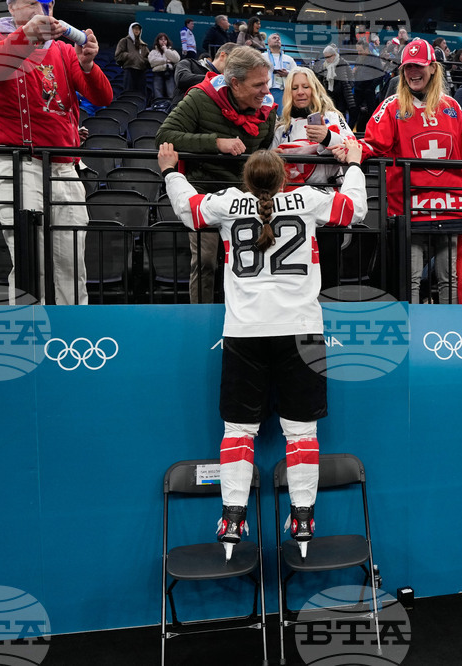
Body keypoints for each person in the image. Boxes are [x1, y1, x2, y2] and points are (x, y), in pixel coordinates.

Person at [158, 140, 367, 560]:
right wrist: (355, 165)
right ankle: (303, 517)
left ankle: (232, 517)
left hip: (245, 331)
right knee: (302, 433)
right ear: (285, 176)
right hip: (302, 331)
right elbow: (355, 209)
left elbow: (188, 209)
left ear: (246, 178)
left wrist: (170, 171)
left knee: (238, 431)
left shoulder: (228, 203)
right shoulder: (307, 198)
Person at [0, 0, 113, 305]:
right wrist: (28, 36)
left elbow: (102, 96)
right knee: (29, 257)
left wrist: (88, 64)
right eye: (34, 2)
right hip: (17, 163)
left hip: (64, 166)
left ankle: (72, 334)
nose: (44, 8)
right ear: (12, 7)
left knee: (71, 261)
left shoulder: (63, 50)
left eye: (48, 3)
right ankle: (27, 335)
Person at [155, 46, 277, 305]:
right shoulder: (200, 98)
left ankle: (249, 318)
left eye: (267, 82)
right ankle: (201, 319)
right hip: (205, 194)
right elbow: (164, 136)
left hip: (246, 198)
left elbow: (265, 148)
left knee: (251, 262)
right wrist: (216, 143)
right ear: (235, 83)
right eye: (259, 84)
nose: (266, 91)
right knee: (207, 261)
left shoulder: (268, 109)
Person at [360, 38, 462, 304]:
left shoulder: (453, 107)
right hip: (410, 207)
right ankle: (410, 333)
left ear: (432, 67)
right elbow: (372, 145)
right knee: (409, 278)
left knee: (450, 280)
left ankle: (451, 333)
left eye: (418, 66)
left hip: (451, 205)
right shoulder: (392, 106)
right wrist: (335, 144)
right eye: (407, 67)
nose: (413, 72)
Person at [273, 66, 355, 186]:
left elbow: (354, 147)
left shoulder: (331, 117)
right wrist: (273, 158)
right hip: (294, 196)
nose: (300, 92)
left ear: (315, 89)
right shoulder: (282, 128)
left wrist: (327, 138)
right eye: (294, 88)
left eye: (306, 87)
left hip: (329, 193)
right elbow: (269, 162)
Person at [312, 44, 355, 126]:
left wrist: (346, 87)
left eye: (328, 57)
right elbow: (320, 79)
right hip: (329, 95)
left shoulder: (343, 63)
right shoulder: (324, 66)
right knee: (329, 115)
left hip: (341, 96)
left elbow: (351, 78)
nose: (327, 59)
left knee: (341, 116)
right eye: (325, 57)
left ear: (334, 55)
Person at [263, 33, 296, 113]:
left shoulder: (289, 59)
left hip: (282, 91)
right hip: (266, 90)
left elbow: (297, 72)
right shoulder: (261, 57)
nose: (277, 39)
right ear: (269, 43)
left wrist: (288, 73)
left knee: (282, 115)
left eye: (279, 39)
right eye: (274, 38)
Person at [115, 22, 149, 97]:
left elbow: (148, 58)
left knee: (141, 93)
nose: (137, 30)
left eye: (138, 29)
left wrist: (143, 60)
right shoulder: (124, 41)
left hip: (141, 70)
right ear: (131, 29)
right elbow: (118, 55)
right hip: (129, 69)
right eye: (135, 28)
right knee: (128, 92)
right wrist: (130, 56)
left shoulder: (143, 45)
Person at [148, 33, 180, 99]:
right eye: (161, 39)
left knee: (171, 93)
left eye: (165, 39)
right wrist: (165, 60)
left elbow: (176, 59)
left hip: (169, 73)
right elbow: (152, 61)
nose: (163, 41)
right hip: (157, 74)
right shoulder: (153, 52)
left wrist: (166, 50)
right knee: (158, 94)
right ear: (158, 41)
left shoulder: (171, 50)